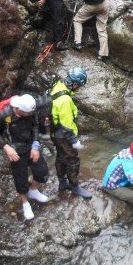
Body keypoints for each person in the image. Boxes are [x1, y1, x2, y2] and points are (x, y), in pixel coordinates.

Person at [0, 95, 49, 221]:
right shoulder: (4, 115)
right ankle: (25, 203)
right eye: (28, 113)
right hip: (15, 149)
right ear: (19, 109)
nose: (31, 114)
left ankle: (33, 191)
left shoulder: (31, 112)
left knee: (42, 171)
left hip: (30, 145)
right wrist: (6, 147)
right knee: (20, 178)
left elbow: (35, 126)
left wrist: (35, 145)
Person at [50, 67, 92, 198]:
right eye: (79, 86)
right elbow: (66, 125)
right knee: (72, 160)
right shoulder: (65, 100)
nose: (78, 88)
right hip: (64, 136)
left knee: (60, 157)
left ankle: (62, 183)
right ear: (74, 84)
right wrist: (74, 140)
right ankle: (75, 187)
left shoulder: (58, 86)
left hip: (55, 132)